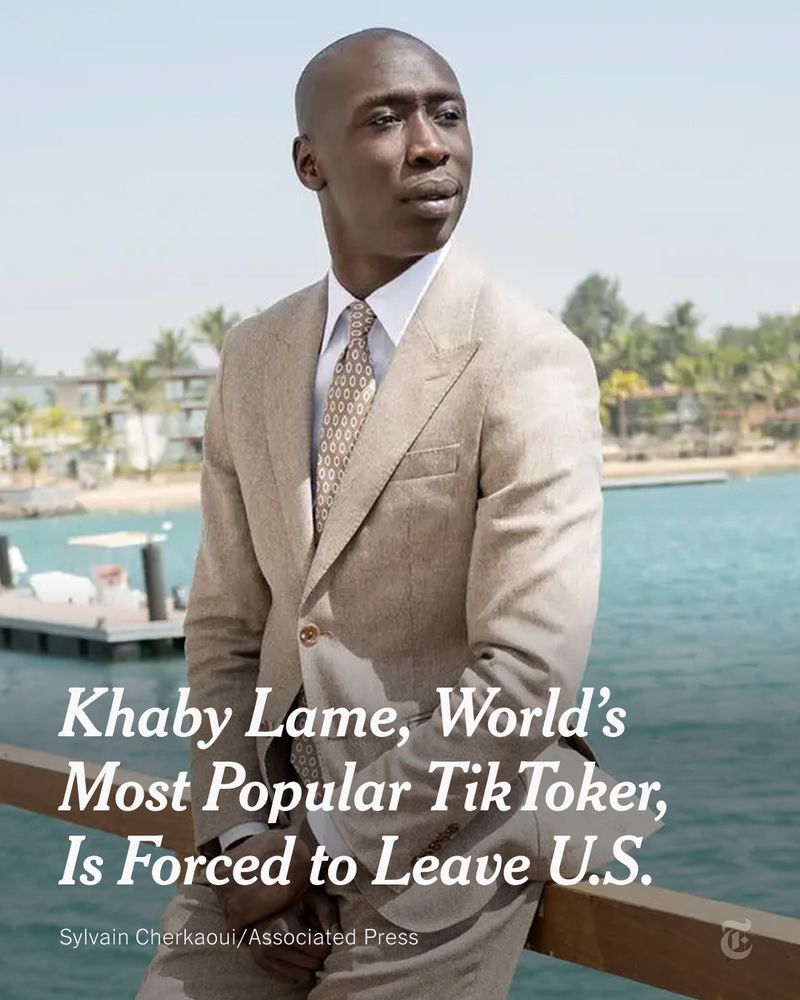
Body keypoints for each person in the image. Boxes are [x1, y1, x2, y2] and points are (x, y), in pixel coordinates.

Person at [138, 25, 629, 1000]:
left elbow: (527, 671)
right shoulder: (256, 356)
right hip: (271, 816)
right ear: (308, 162)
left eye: (446, 113)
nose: (430, 143)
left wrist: (315, 847)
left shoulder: (527, 358)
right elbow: (229, 626)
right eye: (385, 118)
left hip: (465, 816)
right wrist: (239, 835)